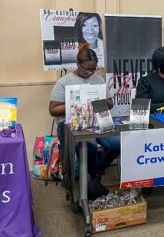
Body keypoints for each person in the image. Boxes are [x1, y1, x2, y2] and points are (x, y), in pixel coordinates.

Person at [48, 43, 120, 182]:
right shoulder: (64, 82)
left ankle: (96, 169)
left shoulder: (98, 80)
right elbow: (53, 110)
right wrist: (77, 104)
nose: (89, 73)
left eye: (93, 69)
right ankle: (92, 175)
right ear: (78, 64)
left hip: (97, 121)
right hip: (71, 125)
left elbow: (110, 103)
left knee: (117, 144)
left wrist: (96, 101)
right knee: (90, 146)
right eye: (86, 69)